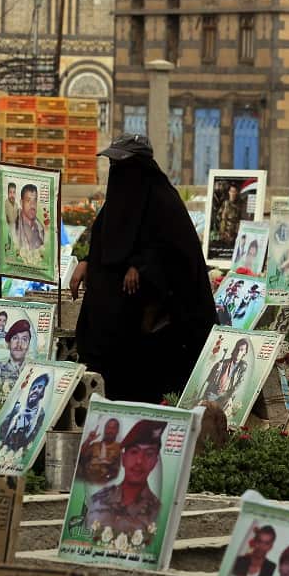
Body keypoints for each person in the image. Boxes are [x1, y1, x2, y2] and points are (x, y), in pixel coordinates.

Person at [70, 134, 216, 403]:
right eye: (114, 166)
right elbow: (104, 238)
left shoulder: (165, 204)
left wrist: (142, 266)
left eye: (123, 166)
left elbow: (176, 258)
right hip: (113, 327)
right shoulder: (117, 202)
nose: (118, 174)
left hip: (153, 334)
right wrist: (86, 260)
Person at [84, 419, 165, 535]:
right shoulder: (98, 499)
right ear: (123, 458)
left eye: (149, 454)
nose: (139, 461)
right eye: (134, 452)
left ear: (155, 462)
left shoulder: (158, 512)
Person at [0, 372, 50, 452]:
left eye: (39, 387)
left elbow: (33, 440)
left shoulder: (40, 415)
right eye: (33, 388)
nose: (35, 390)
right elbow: (1, 430)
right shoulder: (17, 409)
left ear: (43, 392)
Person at [200, 338, 251, 407]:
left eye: (242, 350)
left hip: (226, 396)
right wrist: (217, 371)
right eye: (237, 349)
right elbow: (209, 380)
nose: (239, 352)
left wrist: (230, 397)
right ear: (234, 349)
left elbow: (239, 383)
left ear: (245, 352)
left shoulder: (243, 366)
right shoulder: (223, 363)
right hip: (213, 394)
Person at [0, 318, 32, 392]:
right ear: (8, 344)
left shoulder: (32, 370)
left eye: (24, 339)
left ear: (28, 345)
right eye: (15, 338)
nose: (19, 344)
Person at [77, 417, 122, 484]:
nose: (109, 430)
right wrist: (88, 440)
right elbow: (79, 456)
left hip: (104, 484)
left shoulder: (120, 447)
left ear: (117, 431)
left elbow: (119, 472)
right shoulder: (95, 445)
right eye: (108, 427)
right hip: (86, 480)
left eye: (113, 428)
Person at [13, 184, 45, 254]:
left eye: (34, 201)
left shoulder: (40, 228)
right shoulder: (14, 226)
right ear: (21, 203)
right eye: (28, 201)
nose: (32, 205)